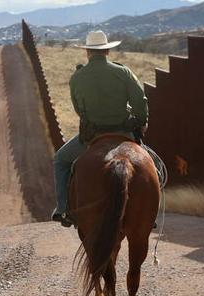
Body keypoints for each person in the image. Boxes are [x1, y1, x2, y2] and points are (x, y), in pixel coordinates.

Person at [52, 30, 148, 227]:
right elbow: (140, 101)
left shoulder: (77, 77)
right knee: (151, 165)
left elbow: (79, 109)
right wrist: (142, 121)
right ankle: (151, 212)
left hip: (91, 137)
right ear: (107, 51)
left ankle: (62, 209)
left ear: (87, 51)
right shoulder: (123, 72)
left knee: (61, 160)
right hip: (124, 133)